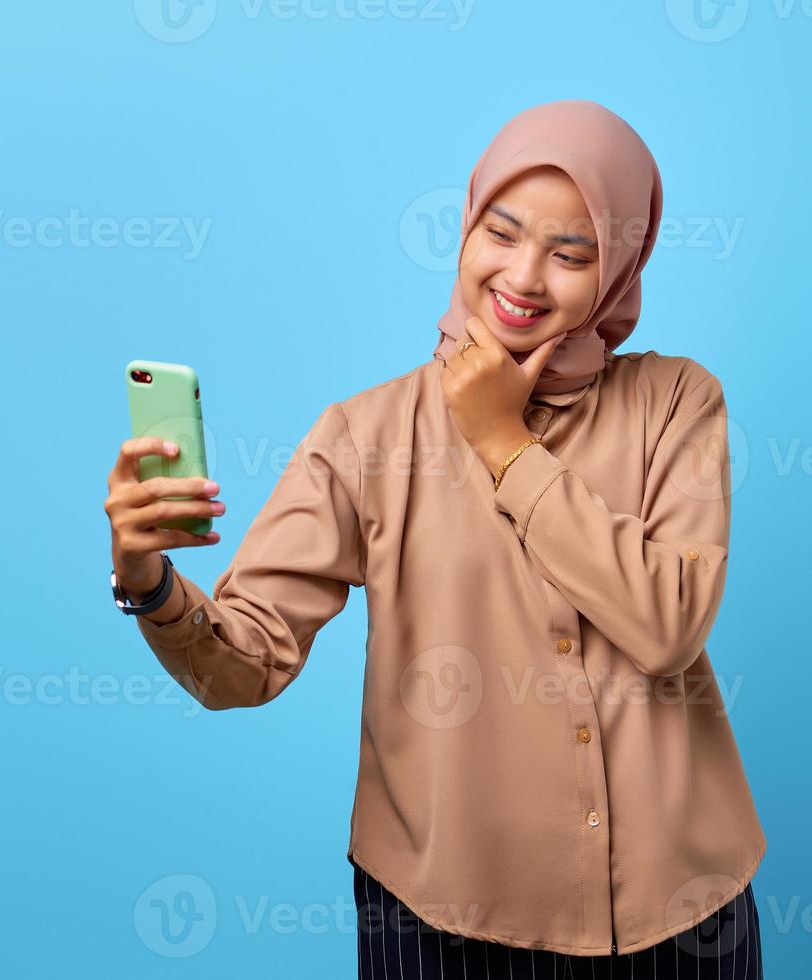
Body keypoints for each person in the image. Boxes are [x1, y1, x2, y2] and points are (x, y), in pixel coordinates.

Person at [104, 99, 767, 978]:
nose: (524, 278)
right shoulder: (366, 436)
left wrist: (501, 442)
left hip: (678, 913)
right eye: (501, 232)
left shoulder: (677, 404)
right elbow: (244, 665)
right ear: (465, 226)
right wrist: (147, 580)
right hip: (443, 922)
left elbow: (667, 624)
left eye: (572, 254)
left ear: (620, 266)